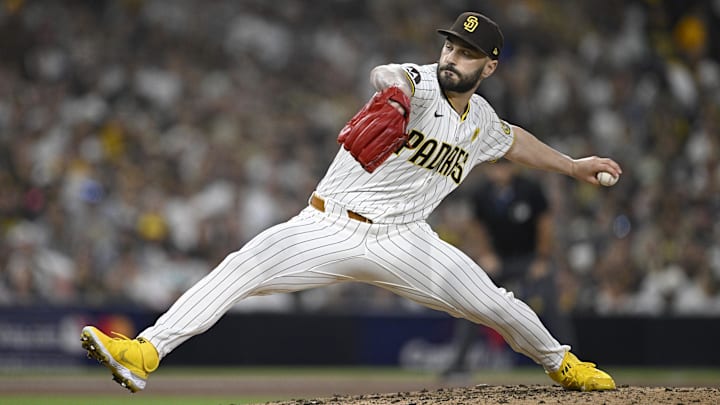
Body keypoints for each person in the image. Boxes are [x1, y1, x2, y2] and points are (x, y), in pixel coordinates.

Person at [81, 12, 621, 393]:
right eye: (451, 46)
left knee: (497, 304)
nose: (453, 57)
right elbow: (387, 74)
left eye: (468, 53)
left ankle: (563, 364)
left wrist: (573, 166)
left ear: (490, 67)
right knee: (240, 266)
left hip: (406, 239)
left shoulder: (479, 120)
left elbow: (514, 140)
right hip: (327, 225)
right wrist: (400, 96)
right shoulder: (419, 81)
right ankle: (144, 352)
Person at [442, 161, 575, 377]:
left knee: (551, 305)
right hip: (499, 260)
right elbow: (477, 227)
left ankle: (573, 361)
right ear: (488, 169)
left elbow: (545, 225)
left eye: (504, 167)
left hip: (529, 258)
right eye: (495, 167)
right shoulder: (481, 193)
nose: (499, 171)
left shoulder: (530, 189)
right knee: (472, 301)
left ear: (513, 167)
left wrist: (541, 258)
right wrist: (485, 254)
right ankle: (459, 363)